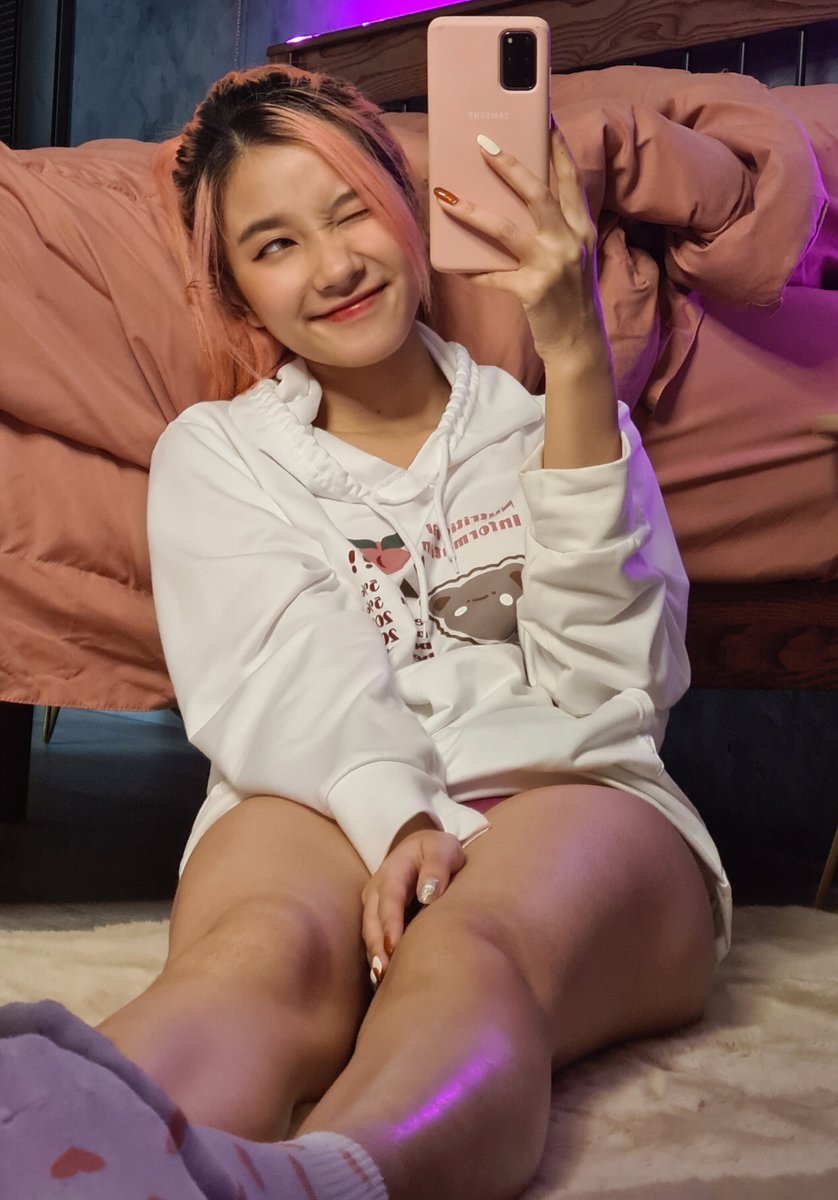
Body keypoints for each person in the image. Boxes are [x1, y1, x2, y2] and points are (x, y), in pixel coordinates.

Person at [0, 64, 730, 1200]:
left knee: (470, 949)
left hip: (565, 788)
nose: (333, 266)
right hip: (317, 796)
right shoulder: (220, 453)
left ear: (409, 212)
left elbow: (611, 695)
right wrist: (398, 815)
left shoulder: (555, 426)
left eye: (351, 213)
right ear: (240, 293)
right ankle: (58, 1159)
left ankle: (319, 1183)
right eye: (275, 245)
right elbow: (278, 670)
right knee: (254, 958)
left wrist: (577, 352)